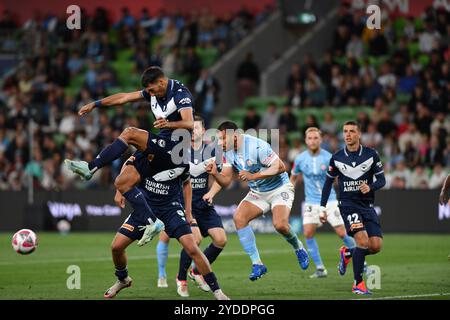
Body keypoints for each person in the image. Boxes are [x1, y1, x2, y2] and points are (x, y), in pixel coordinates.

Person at [65, 66, 194, 240]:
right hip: (161, 145)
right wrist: (95, 104)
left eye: (151, 90)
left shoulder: (180, 94)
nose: (150, 94)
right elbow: (124, 98)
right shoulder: (153, 92)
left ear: (161, 82)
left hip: (175, 148)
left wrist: (168, 125)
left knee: (130, 133)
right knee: (122, 182)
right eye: (148, 91)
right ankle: (152, 222)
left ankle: (90, 168)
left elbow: (190, 123)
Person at [108, 151, 229, 300]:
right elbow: (128, 163)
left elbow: (187, 183)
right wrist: (119, 191)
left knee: (192, 248)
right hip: (145, 209)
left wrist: (188, 213)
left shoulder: (181, 159)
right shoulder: (149, 149)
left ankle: (217, 292)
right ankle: (123, 279)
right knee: (116, 247)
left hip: (171, 209)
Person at [206, 121, 309, 281]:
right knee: (239, 218)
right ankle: (258, 264)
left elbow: (281, 167)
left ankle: (298, 247)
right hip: (258, 192)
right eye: (218, 139)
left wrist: (253, 176)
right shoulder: (223, 151)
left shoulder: (256, 146)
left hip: (279, 188)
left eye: (223, 139)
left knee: (280, 225)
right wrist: (215, 174)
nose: (220, 143)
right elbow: (226, 181)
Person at [320, 121, 386, 295]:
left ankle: (348, 253)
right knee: (363, 241)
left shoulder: (372, 155)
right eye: (345, 132)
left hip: (367, 205)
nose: (348, 134)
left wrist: (370, 187)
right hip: (348, 205)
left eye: (351, 131)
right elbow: (327, 184)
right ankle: (358, 284)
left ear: (359, 134)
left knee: (375, 246)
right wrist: (322, 207)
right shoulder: (337, 157)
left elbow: (382, 180)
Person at [290, 127, 356, 278]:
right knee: (308, 233)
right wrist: (288, 193)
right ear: (306, 141)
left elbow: (341, 178)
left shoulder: (329, 157)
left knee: (341, 232)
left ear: (320, 140)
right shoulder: (300, 159)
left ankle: (360, 259)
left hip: (330, 200)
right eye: (310, 138)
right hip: (311, 202)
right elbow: (293, 177)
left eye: (315, 138)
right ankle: (320, 268)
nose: (313, 141)